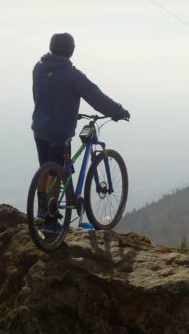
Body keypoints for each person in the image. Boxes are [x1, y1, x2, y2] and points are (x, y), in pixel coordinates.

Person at [32, 32, 130, 230]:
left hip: (39, 128)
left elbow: (44, 94)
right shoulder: (72, 74)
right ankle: (51, 221)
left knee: (45, 167)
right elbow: (95, 97)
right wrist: (117, 111)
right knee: (56, 172)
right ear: (71, 50)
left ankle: (41, 212)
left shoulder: (39, 68)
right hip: (59, 132)